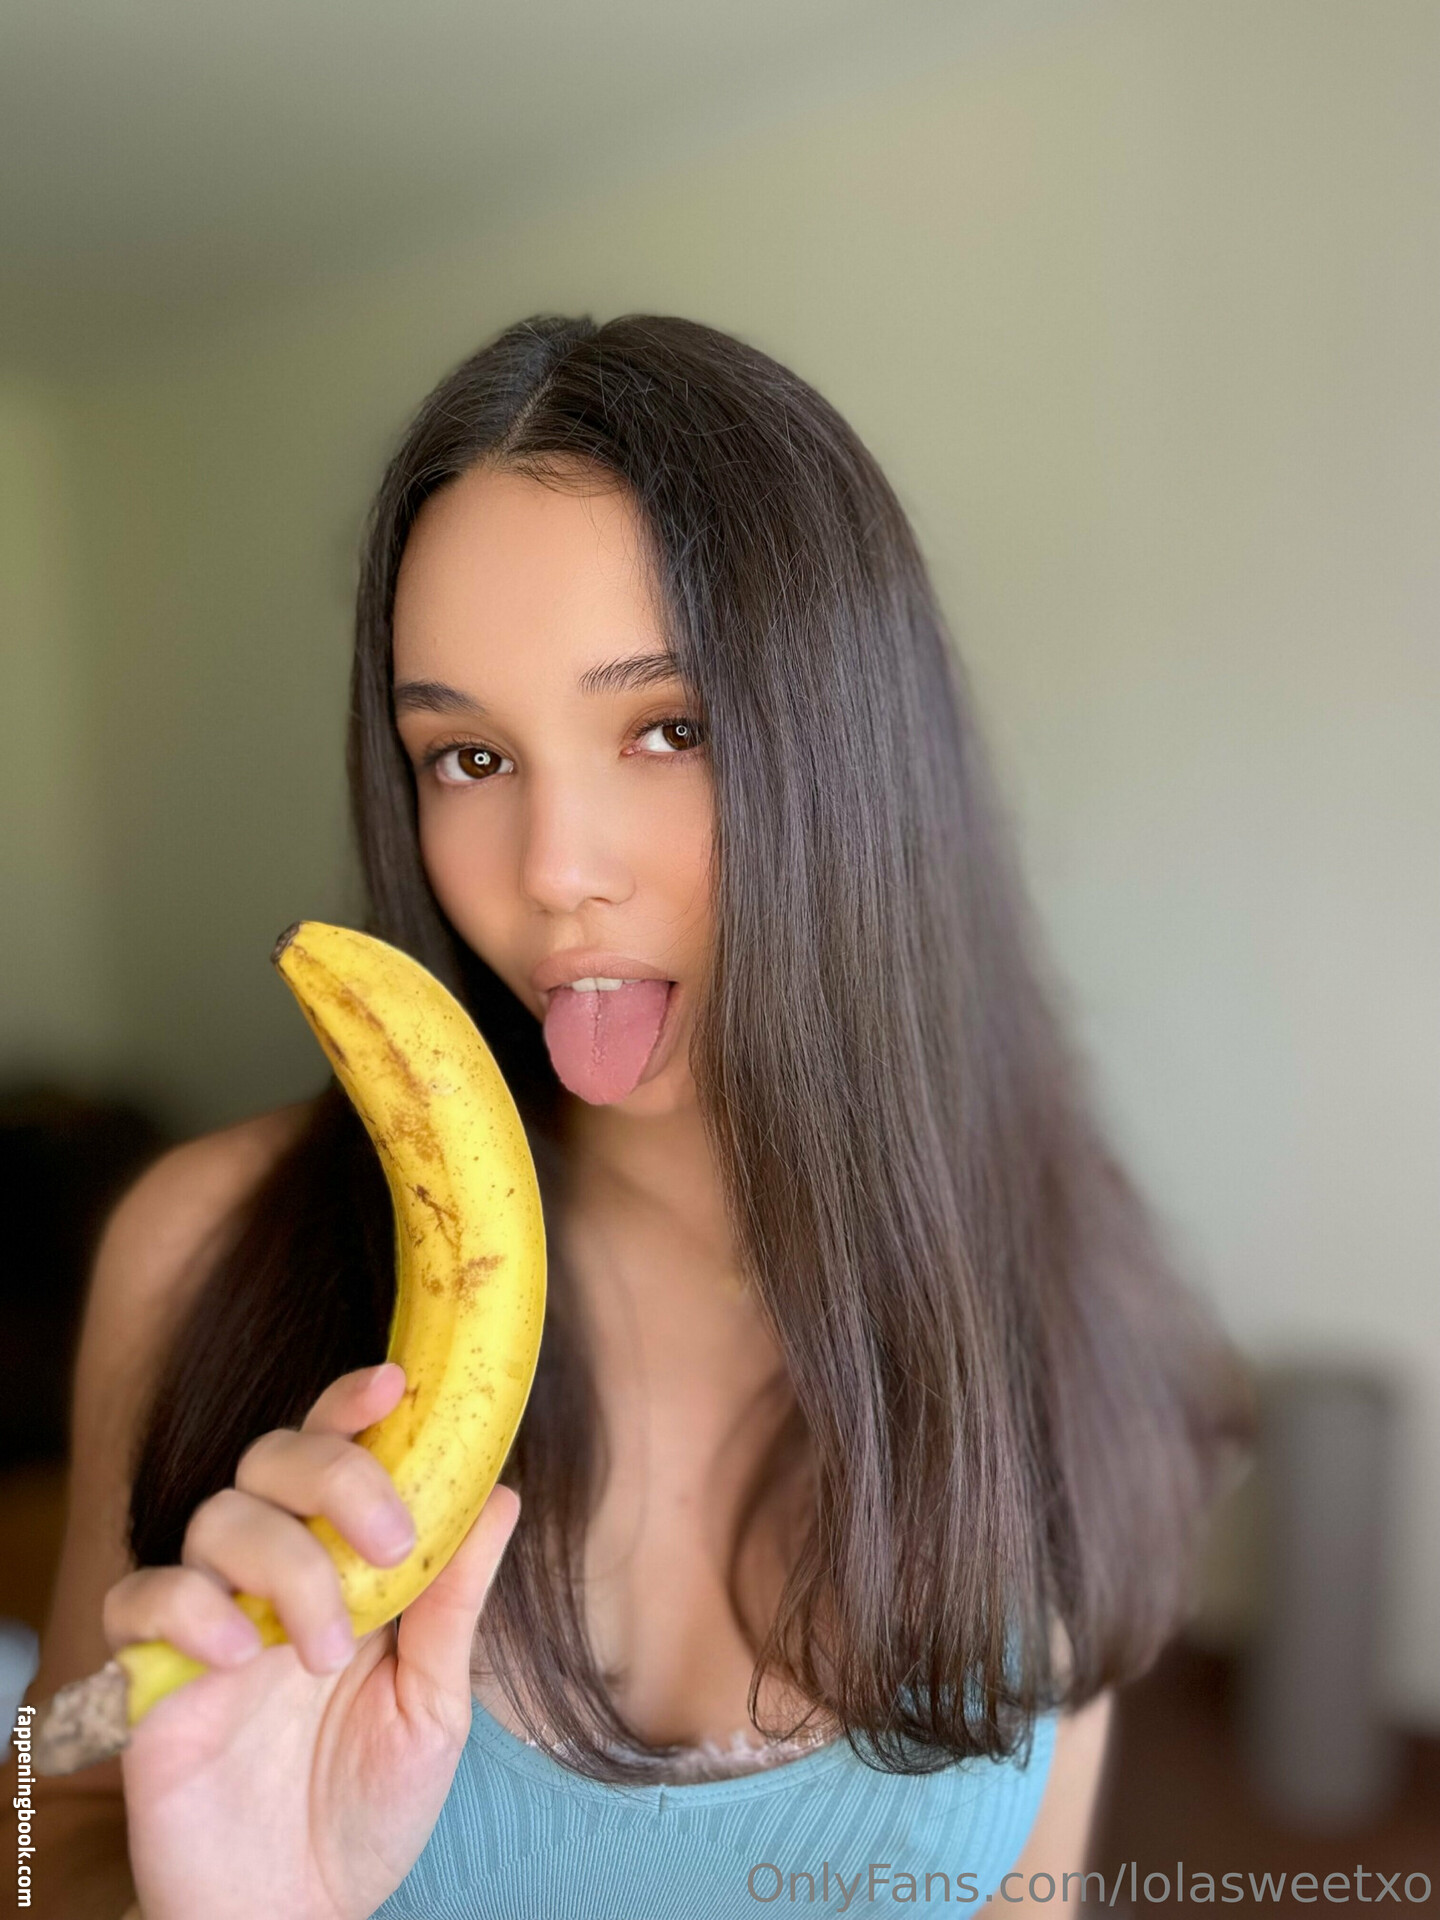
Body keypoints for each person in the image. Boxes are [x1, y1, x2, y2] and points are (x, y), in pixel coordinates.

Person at [24, 313, 1256, 1918]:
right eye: (467, 755)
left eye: (670, 728)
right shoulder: (204, 1249)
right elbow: (36, 1826)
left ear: (858, 749)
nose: (553, 871)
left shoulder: (1069, 1299)